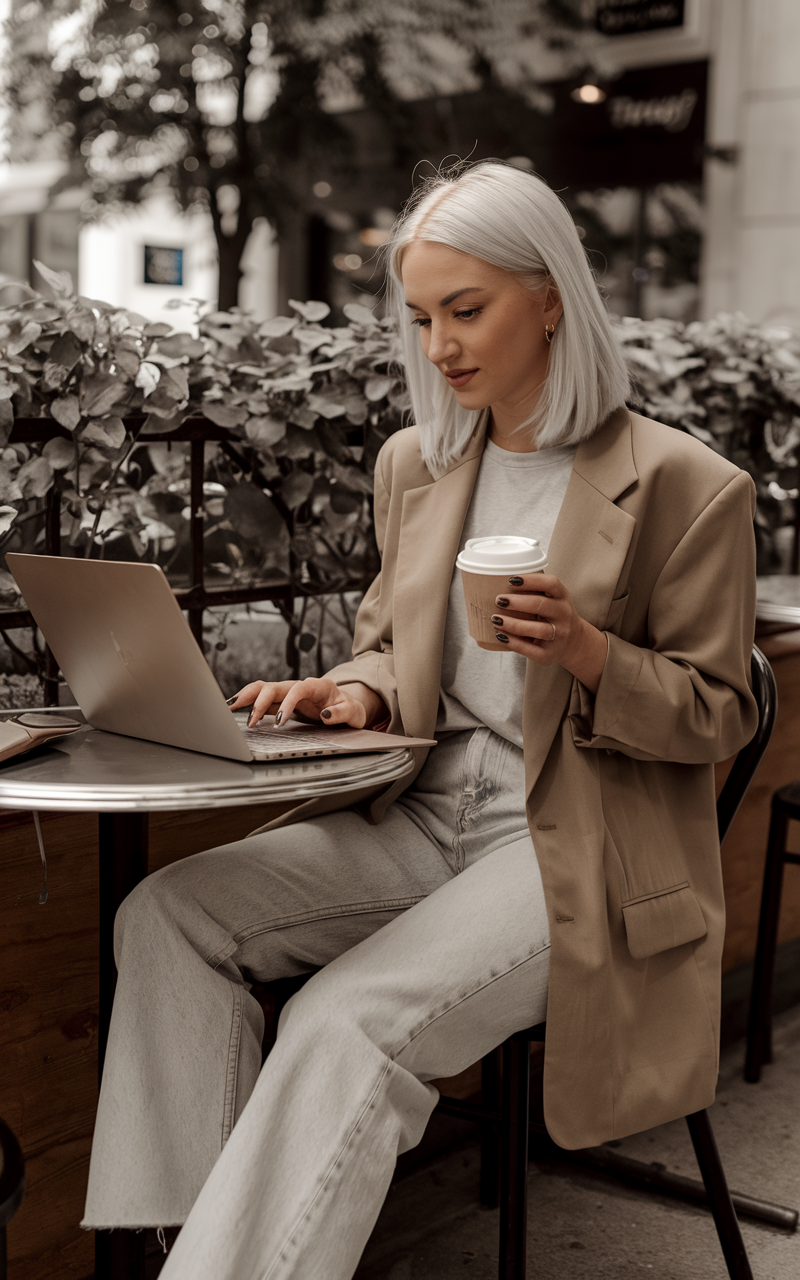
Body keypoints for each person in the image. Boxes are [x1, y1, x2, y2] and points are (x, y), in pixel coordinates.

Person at [81, 162, 758, 1279]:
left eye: (466, 308)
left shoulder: (685, 483)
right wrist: (351, 688)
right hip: (421, 809)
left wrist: (586, 651)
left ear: (549, 296)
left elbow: (718, 712)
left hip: (570, 845)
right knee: (168, 912)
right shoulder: (418, 462)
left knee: (343, 1018)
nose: (438, 344)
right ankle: (201, 1246)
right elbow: (392, 647)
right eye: (420, 316)